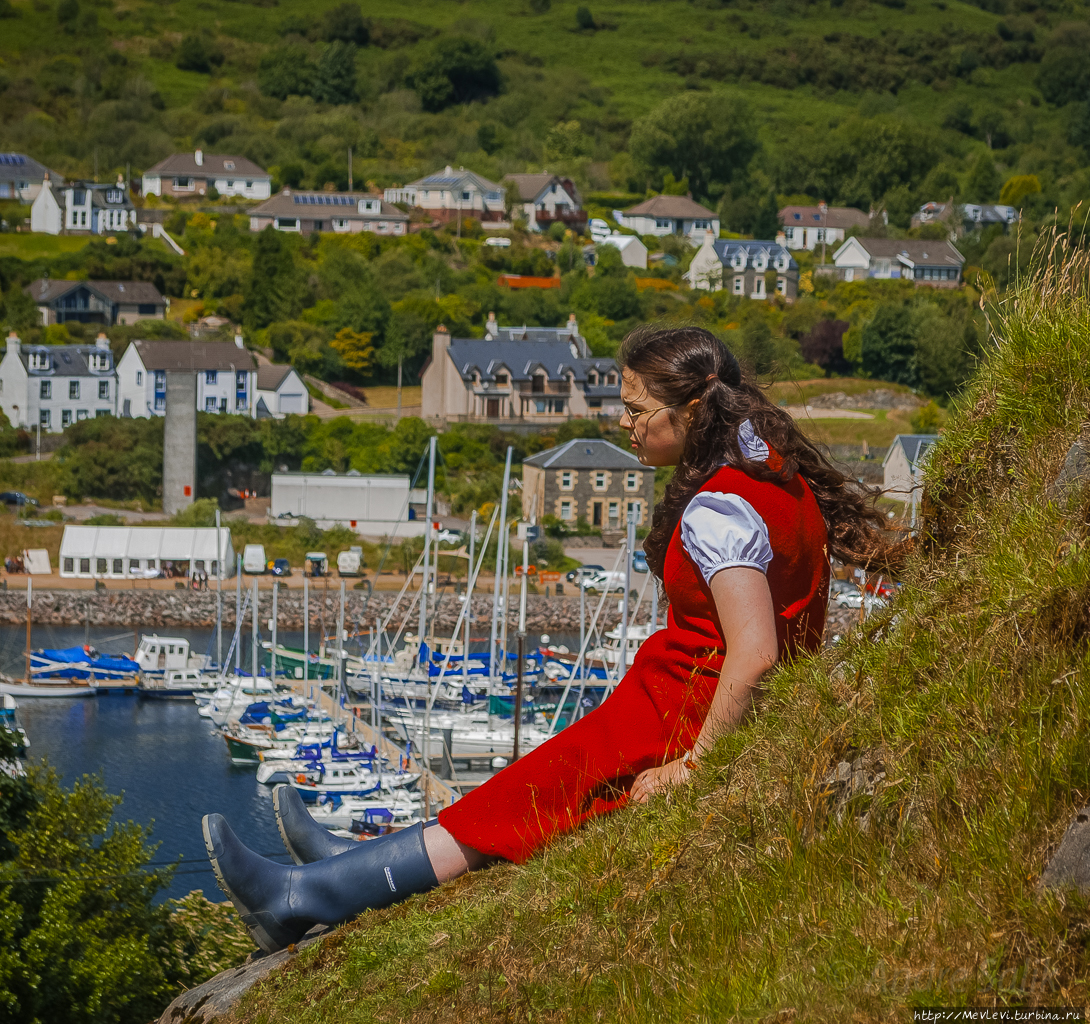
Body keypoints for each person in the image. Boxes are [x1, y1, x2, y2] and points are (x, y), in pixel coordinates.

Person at [201, 326, 895, 954]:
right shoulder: (774, 470)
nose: (622, 425)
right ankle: (341, 868)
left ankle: (296, 900)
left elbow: (756, 653)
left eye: (634, 411)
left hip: (678, 716)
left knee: (527, 803)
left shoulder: (721, 506)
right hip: (671, 697)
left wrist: (695, 766)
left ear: (690, 412)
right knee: (521, 792)